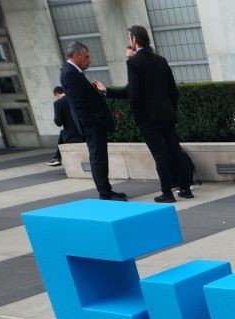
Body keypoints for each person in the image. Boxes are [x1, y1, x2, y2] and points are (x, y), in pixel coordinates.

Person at [95, 25, 192, 203]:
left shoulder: (133, 62)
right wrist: (107, 91)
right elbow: (173, 91)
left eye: (129, 38)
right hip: (167, 115)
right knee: (174, 151)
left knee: (159, 155)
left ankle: (167, 193)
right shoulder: (161, 60)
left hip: (148, 119)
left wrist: (137, 116)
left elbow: (134, 93)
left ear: (134, 39)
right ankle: (185, 189)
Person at [59, 41, 126, 200]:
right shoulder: (70, 73)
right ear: (76, 56)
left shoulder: (72, 71)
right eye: (86, 57)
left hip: (92, 124)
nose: (89, 60)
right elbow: (79, 104)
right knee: (98, 158)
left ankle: (106, 191)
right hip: (92, 126)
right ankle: (105, 193)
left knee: (99, 157)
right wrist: (94, 122)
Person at [46, 86, 83, 167]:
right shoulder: (75, 98)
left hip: (74, 135)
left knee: (62, 134)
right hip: (86, 130)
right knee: (62, 133)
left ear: (57, 93)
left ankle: (57, 158)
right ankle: (57, 158)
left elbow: (58, 122)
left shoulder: (58, 103)